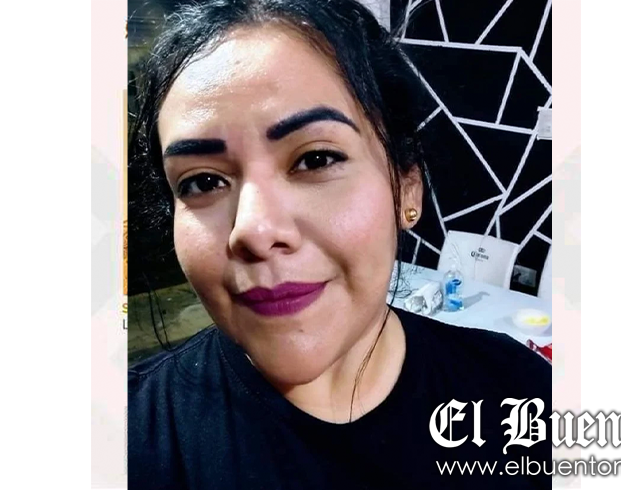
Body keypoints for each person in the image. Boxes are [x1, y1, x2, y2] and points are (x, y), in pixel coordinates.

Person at [128, 1, 551, 488]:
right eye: (202, 182)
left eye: (316, 159)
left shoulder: (519, 394)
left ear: (407, 187)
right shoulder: (124, 441)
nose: (255, 231)